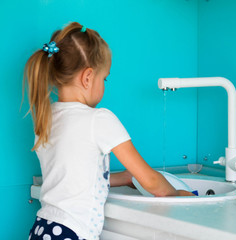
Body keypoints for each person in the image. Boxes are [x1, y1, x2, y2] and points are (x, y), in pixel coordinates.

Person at [24, 22, 194, 240]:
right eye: (104, 78)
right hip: (73, 233)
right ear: (87, 77)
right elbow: (151, 181)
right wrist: (177, 195)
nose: (104, 84)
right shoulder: (99, 119)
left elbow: (73, 177)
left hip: (43, 228)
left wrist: (123, 178)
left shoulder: (46, 118)